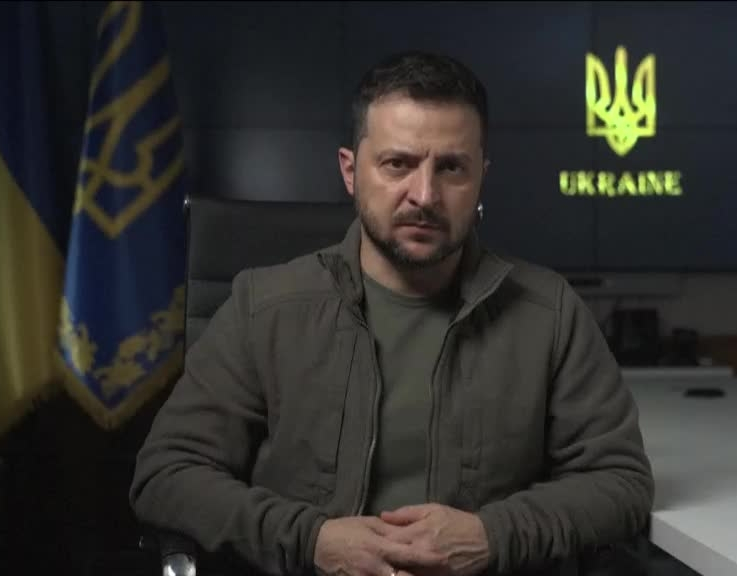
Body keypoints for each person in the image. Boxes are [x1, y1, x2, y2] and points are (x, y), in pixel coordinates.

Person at [130, 50, 654, 576]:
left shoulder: (549, 313)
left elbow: (621, 481)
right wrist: (311, 540)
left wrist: (491, 536)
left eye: (451, 167)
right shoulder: (262, 307)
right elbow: (166, 474)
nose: (424, 195)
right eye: (398, 164)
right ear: (350, 171)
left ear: (481, 178)